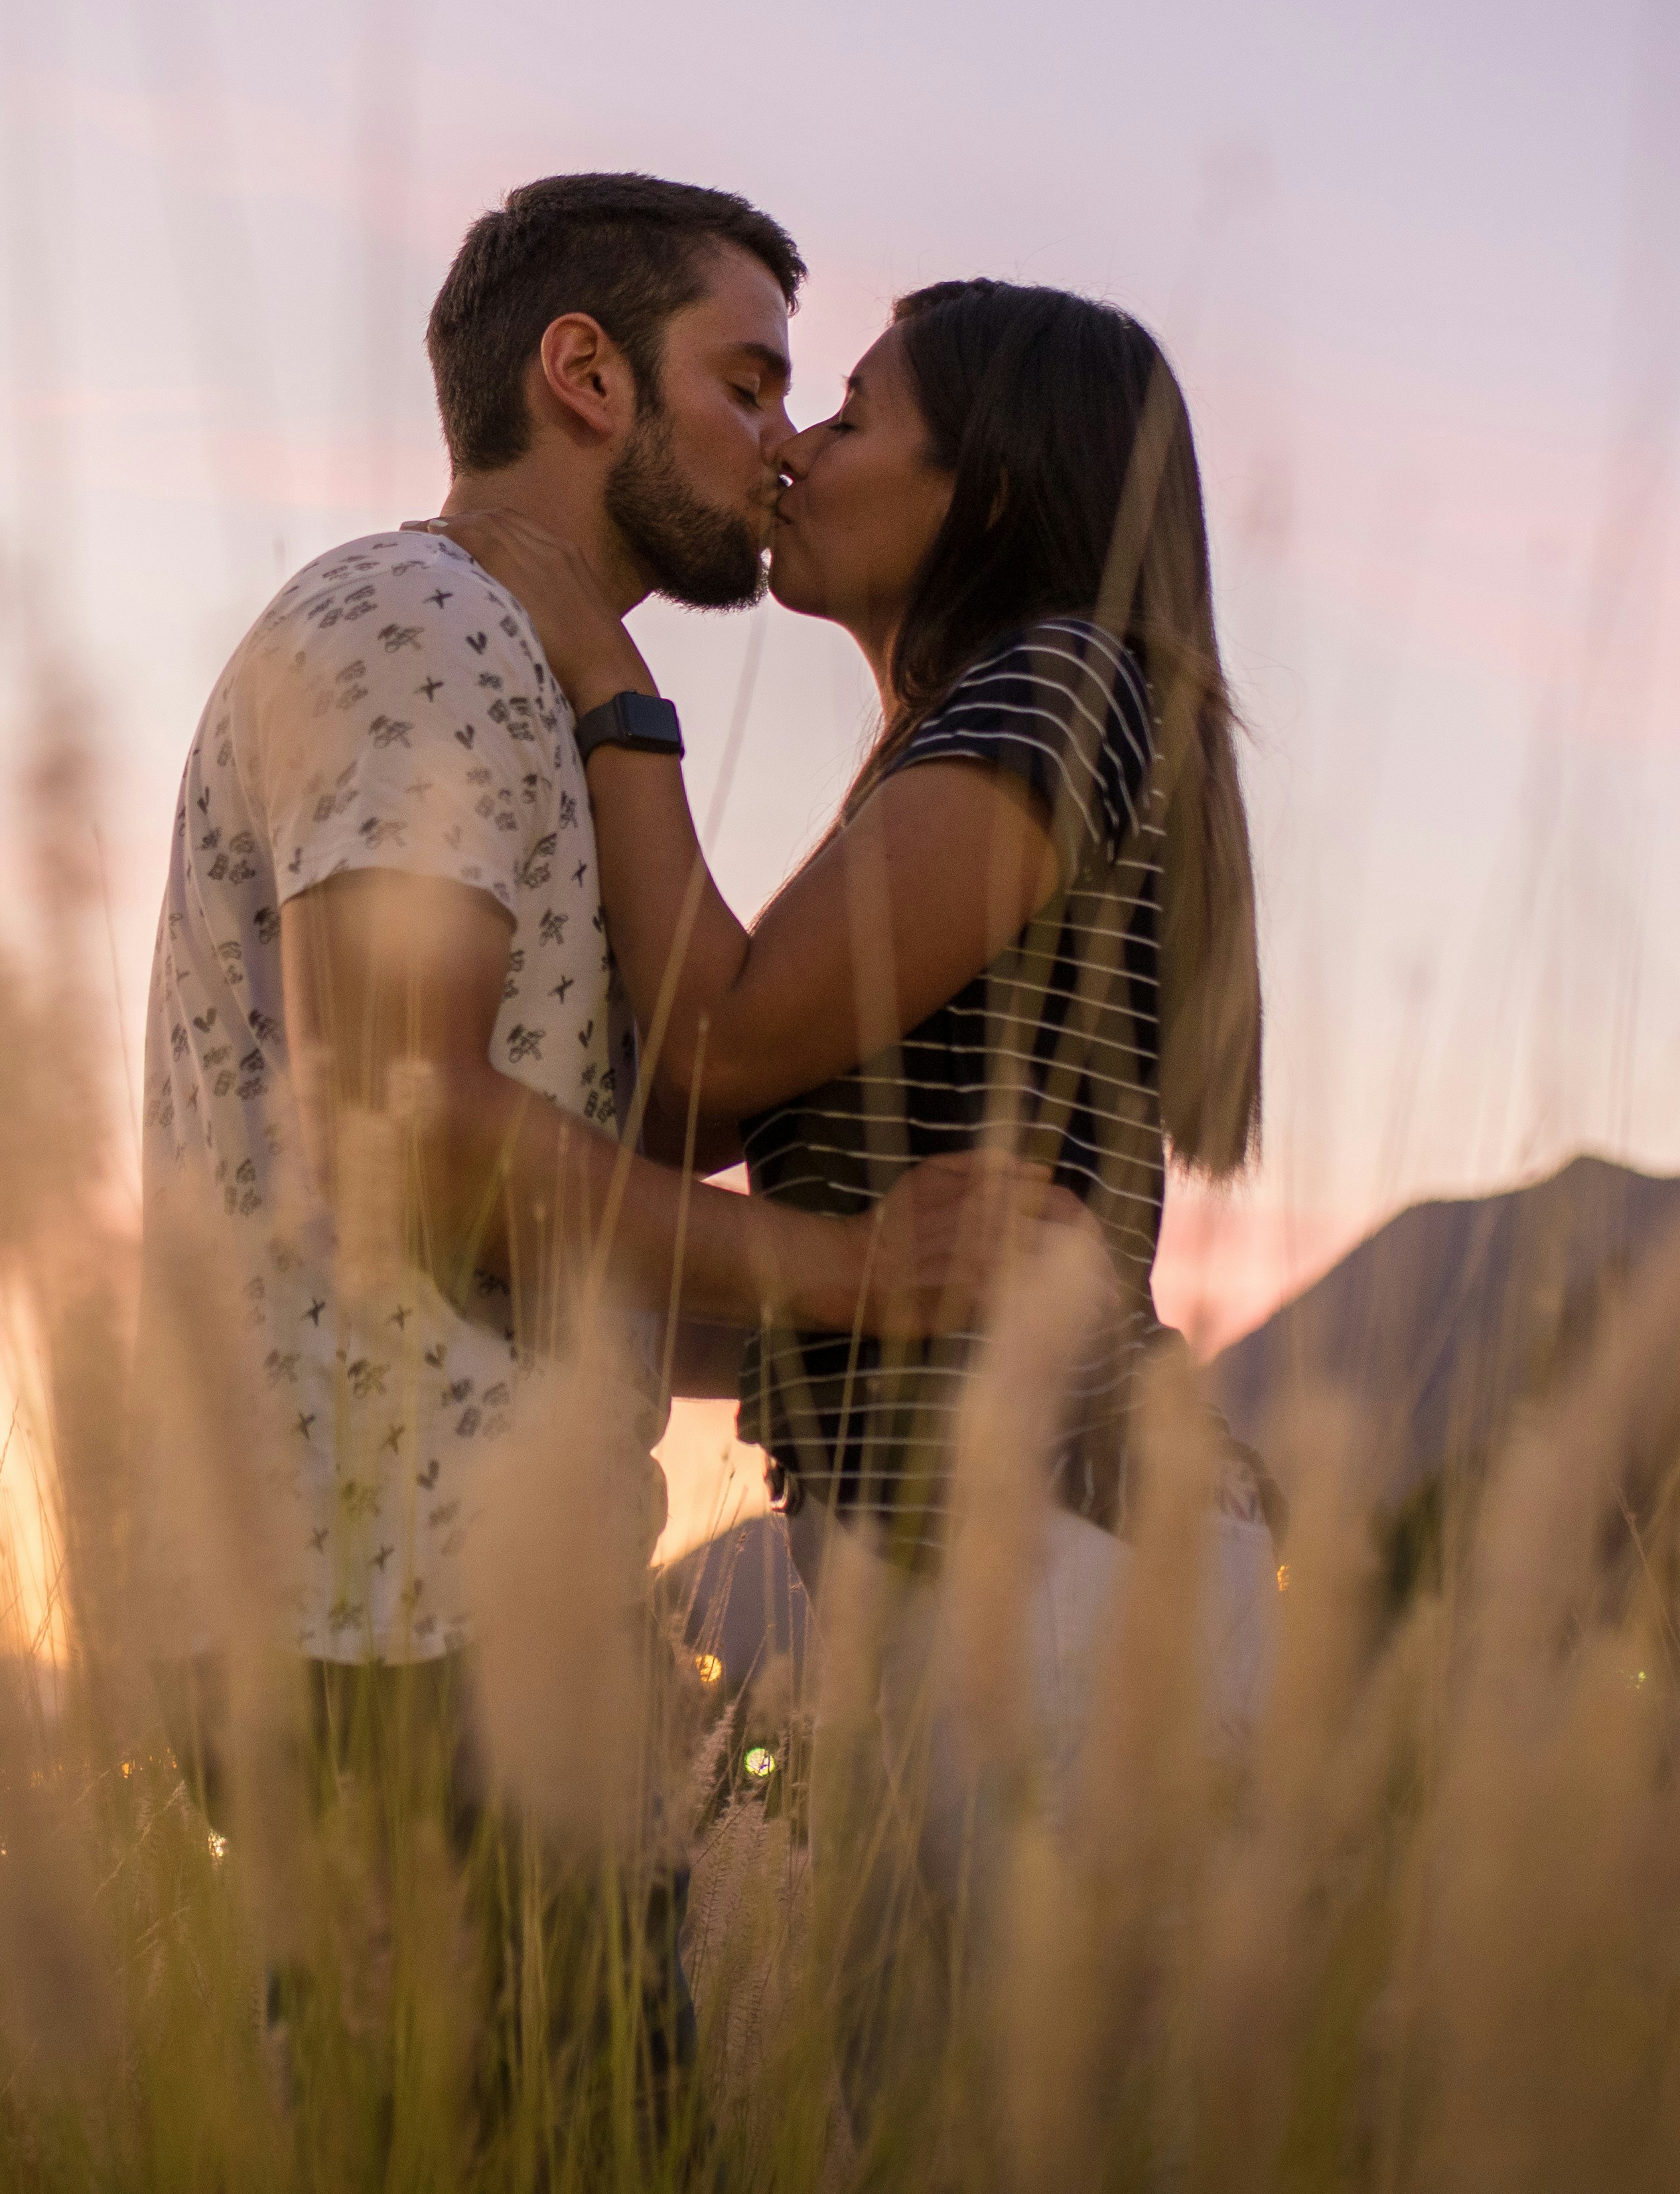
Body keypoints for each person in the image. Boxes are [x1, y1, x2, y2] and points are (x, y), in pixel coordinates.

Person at [131, 178, 1077, 2146]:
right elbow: (405, 1136)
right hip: (392, 1641)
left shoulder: (525, 679)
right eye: (747, 381)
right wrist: (851, 1274)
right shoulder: (418, 624)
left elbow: (519, 1231)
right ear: (584, 374)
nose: (780, 442)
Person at [425, 279, 1280, 2063]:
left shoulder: (1056, 685)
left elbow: (720, 1050)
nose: (796, 445)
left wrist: (610, 688)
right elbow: (717, 1128)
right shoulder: (975, 736)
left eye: (856, 412)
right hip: (974, 1579)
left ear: (980, 490)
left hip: (1047, 1583)